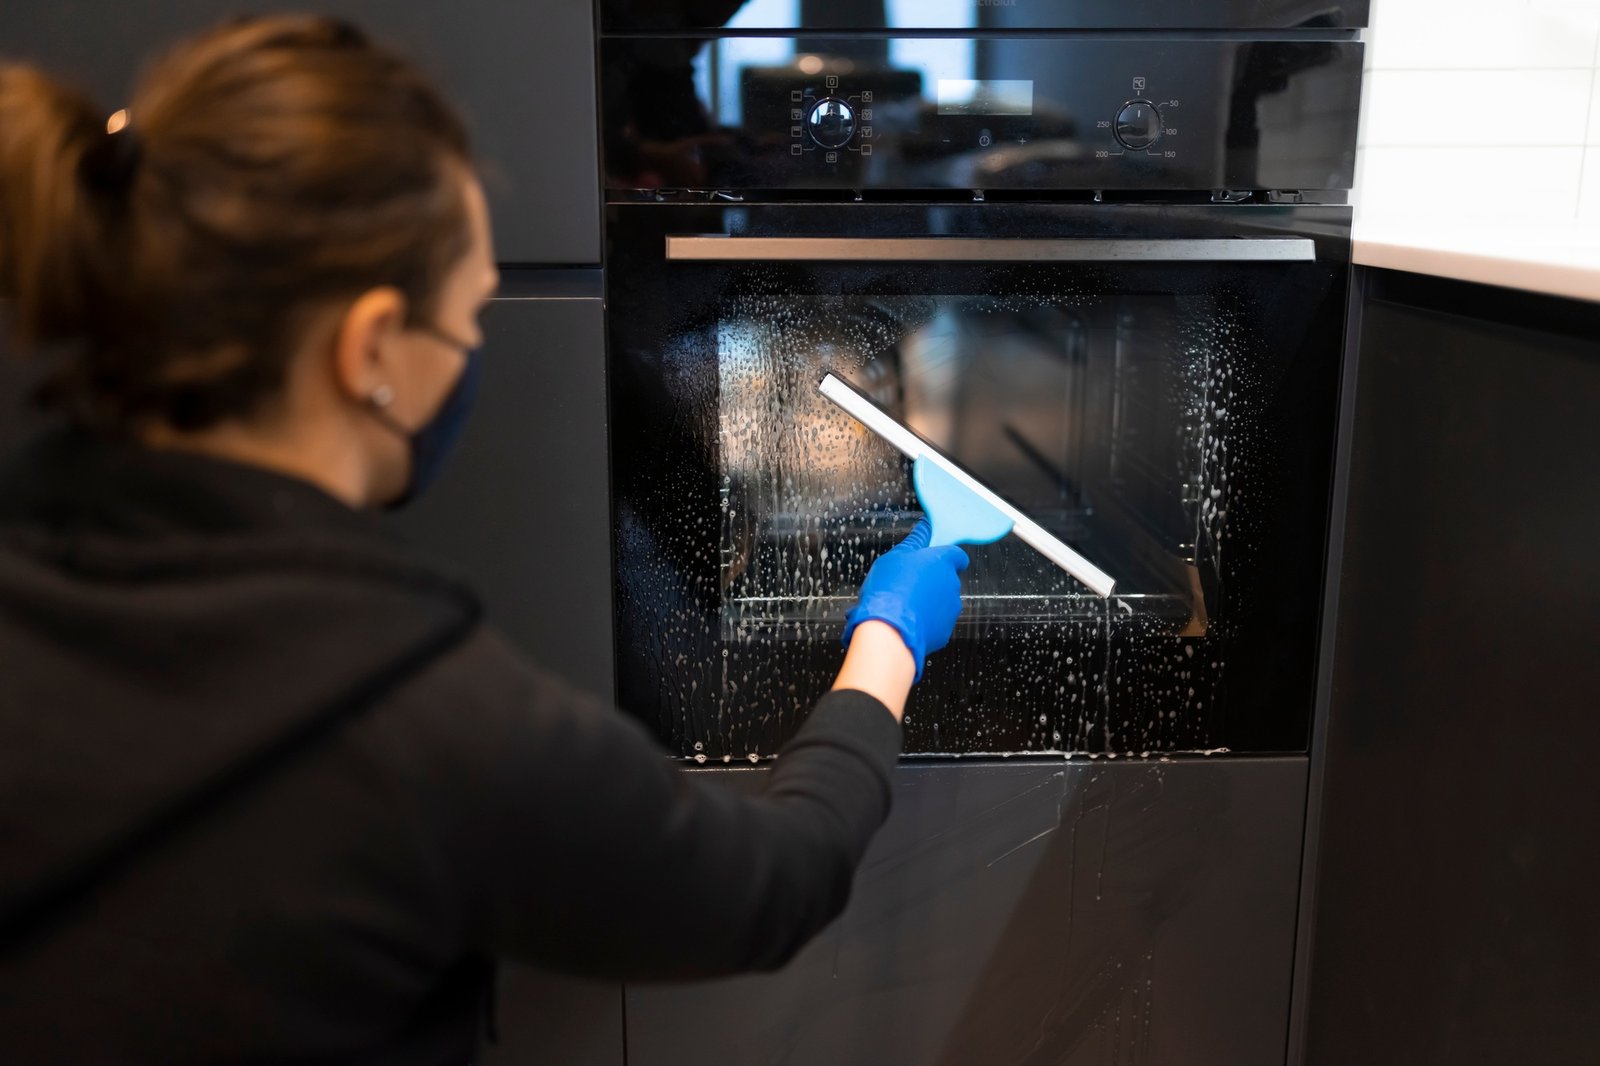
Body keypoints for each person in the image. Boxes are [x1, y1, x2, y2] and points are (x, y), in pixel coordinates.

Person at [0, 16, 970, 1065]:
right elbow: (772, 884)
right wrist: (887, 639)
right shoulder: (421, 721)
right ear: (371, 349)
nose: (472, 348)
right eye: (467, 318)